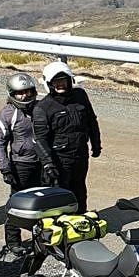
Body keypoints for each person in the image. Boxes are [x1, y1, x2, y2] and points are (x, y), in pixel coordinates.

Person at [30, 60, 101, 211]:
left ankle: (81, 219)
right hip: (59, 160)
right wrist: (48, 163)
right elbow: (40, 139)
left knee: (80, 190)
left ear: (70, 80)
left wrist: (96, 143)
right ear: (49, 83)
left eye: (63, 80)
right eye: (56, 81)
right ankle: (61, 222)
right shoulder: (43, 108)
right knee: (59, 195)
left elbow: (91, 120)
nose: (60, 84)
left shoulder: (80, 95)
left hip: (80, 155)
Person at [0, 71, 43, 256]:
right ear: (12, 94)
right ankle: (13, 241)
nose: (25, 96)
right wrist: (5, 168)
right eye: (20, 93)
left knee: (42, 201)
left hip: (43, 163)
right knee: (17, 203)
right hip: (21, 165)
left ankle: (41, 239)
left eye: (29, 91)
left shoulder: (41, 108)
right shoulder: (7, 114)